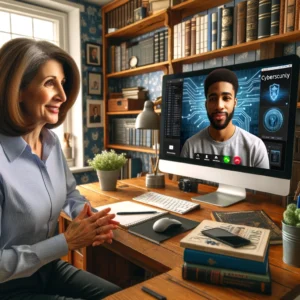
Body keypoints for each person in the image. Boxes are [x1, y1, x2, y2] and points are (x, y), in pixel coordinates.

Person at [0, 38, 121, 299]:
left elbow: (69, 195)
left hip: (47, 269)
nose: (63, 96)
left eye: (63, 83)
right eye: (49, 83)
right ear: (17, 90)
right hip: (6, 286)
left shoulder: (52, 141)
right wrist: (66, 242)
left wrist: (93, 219)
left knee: (121, 295)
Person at [180, 68, 270, 169]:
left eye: (226, 98)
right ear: (206, 104)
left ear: (235, 103)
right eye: (213, 99)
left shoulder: (255, 147)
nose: (219, 106)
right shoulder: (190, 147)